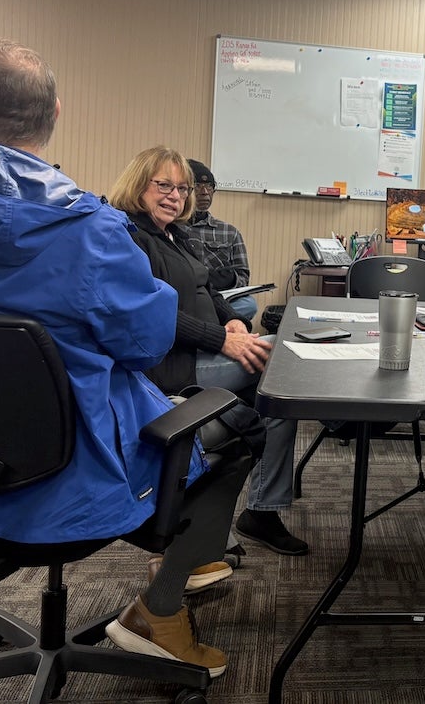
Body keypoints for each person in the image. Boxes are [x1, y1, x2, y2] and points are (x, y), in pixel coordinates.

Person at [0, 39, 254, 678]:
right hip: (77, 485)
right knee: (241, 433)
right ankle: (159, 610)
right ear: (53, 115)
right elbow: (148, 344)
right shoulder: (94, 233)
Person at [109, 147, 310, 557]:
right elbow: (153, 316)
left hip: (203, 350)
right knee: (281, 360)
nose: (175, 196)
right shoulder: (128, 237)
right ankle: (227, 517)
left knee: (274, 404)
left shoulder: (175, 236)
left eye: (182, 188)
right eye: (163, 185)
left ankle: (255, 513)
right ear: (138, 185)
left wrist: (231, 319)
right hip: (171, 366)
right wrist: (222, 340)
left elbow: (207, 290)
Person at [186, 159, 259, 324]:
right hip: (187, 296)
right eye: (197, 185)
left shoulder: (229, 232)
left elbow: (243, 278)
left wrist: (229, 279)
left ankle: (205, 322)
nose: (205, 192)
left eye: (210, 186)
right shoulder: (172, 228)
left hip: (220, 297)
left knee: (249, 304)